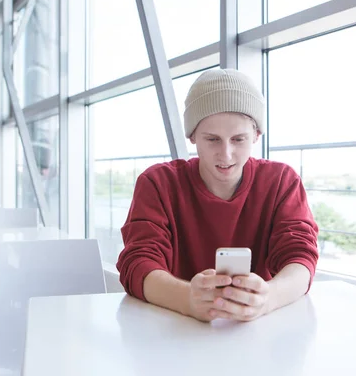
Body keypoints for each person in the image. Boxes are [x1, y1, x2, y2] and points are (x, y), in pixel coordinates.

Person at [116, 68, 319, 323]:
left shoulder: (281, 181)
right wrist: (187, 299)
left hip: (258, 334)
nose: (226, 154)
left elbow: (300, 257)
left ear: (256, 135)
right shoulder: (157, 183)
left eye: (238, 139)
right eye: (212, 139)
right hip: (174, 332)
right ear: (192, 136)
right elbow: (138, 263)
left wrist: (268, 299)